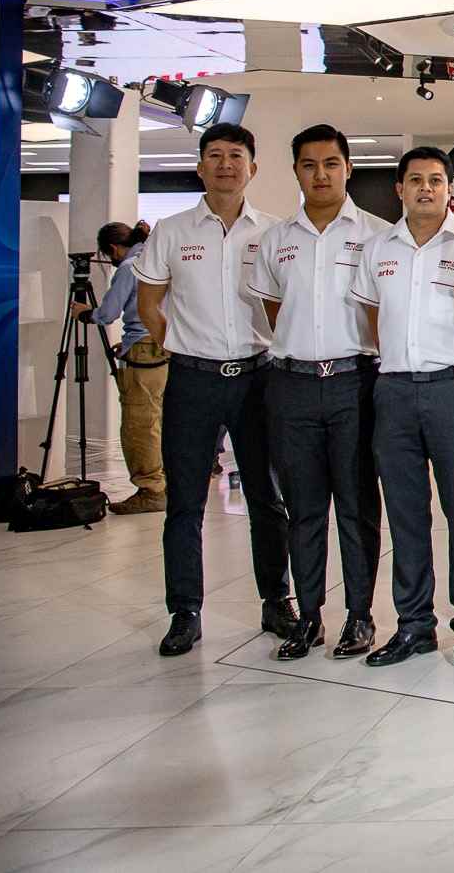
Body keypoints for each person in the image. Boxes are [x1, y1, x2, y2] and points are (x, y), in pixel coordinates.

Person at [134, 123, 295, 657]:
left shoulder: (273, 233)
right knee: (184, 501)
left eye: (236, 155)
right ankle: (185, 611)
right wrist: (182, 345)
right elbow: (149, 304)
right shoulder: (172, 231)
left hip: (257, 377)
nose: (226, 164)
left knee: (266, 497)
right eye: (216, 155)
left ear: (253, 167)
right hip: (192, 380)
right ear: (200, 166)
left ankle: (277, 600)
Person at [247, 124, 390, 662]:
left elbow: (382, 315)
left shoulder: (377, 235)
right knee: (304, 509)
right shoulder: (276, 240)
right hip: (293, 386)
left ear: (348, 168)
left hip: (355, 383)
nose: (321, 174)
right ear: (296, 172)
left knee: (356, 506)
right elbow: (275, 310)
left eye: (331, 164)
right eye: (309, 165)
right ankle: (308, 616)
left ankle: (359, 616)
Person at [351, 146, 454, 670]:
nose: (426, 188)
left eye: (436, 180)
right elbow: (372, 317)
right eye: (415, 180)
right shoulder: (377, 248)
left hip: (453, 389)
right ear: (400, 189)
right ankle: (414, 625)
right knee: (405, 512)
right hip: (392, 391)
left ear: (450, 190)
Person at [73, 220, 169, 514]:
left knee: (139, 424)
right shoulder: (156, 259)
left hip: (143, 353)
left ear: (113, 249)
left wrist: (85, 313)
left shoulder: (129, 268)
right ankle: (166, 483)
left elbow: (108, 314)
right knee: (159, 420)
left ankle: (151, 490)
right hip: (165, 348)